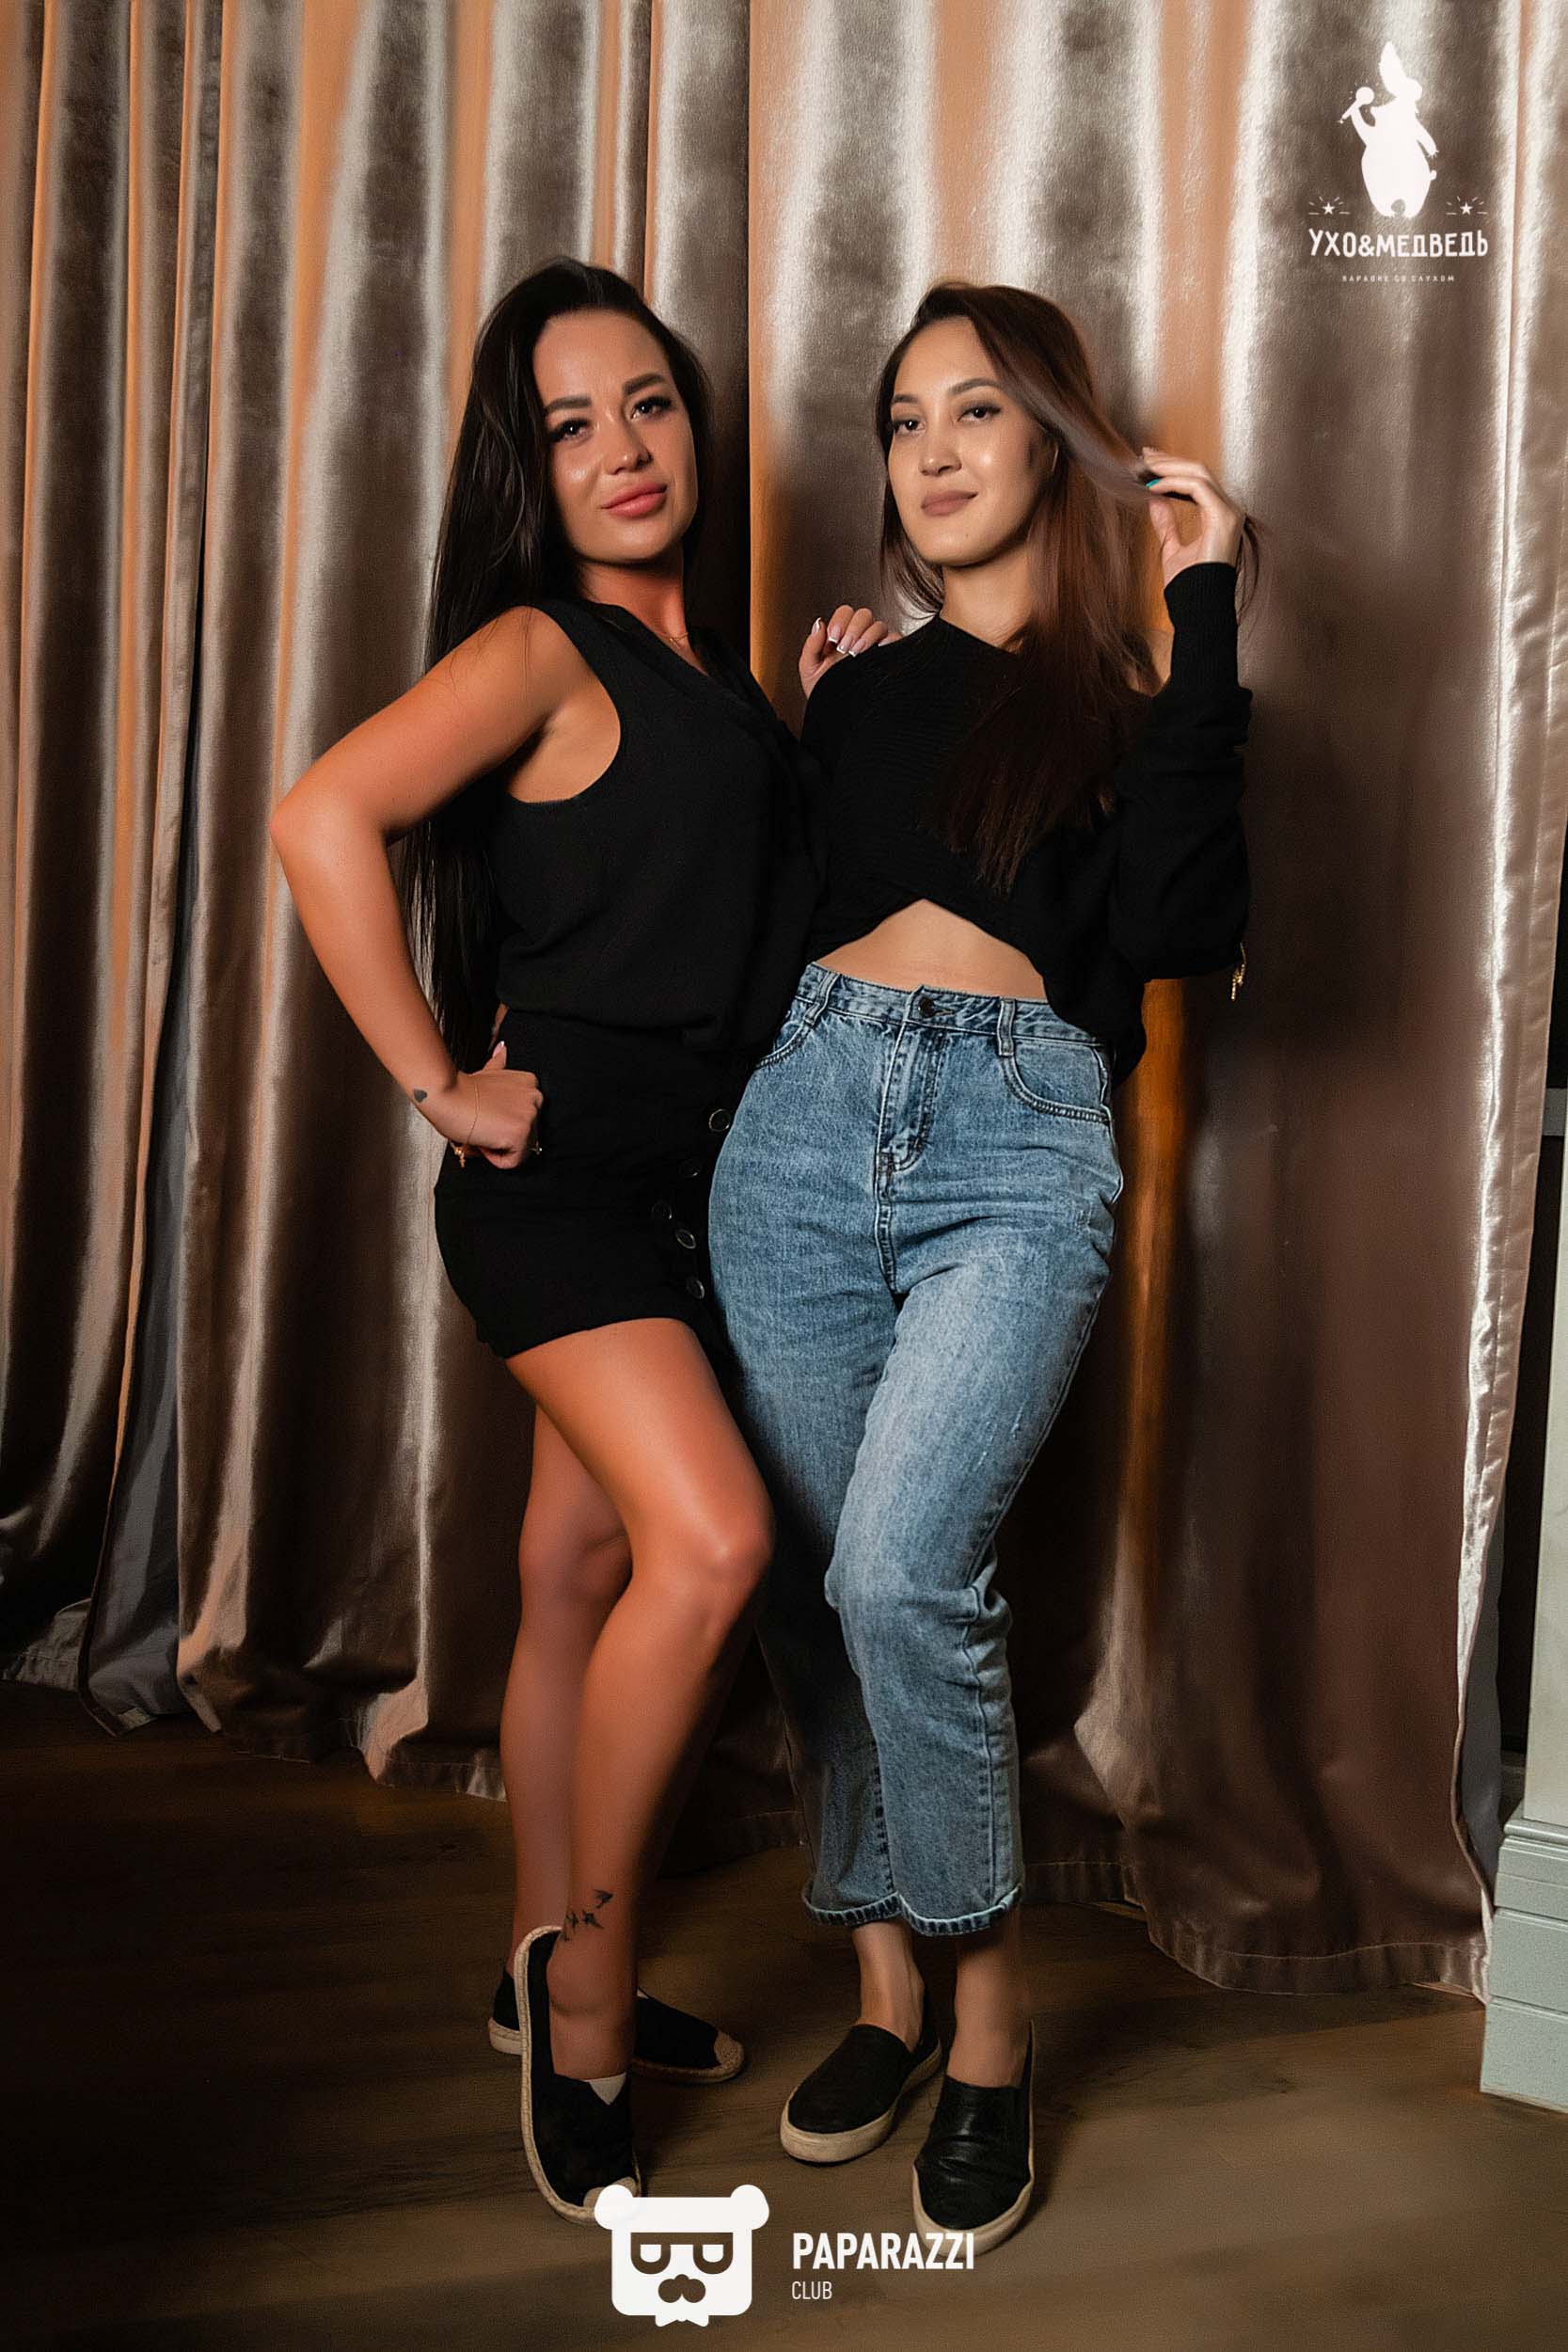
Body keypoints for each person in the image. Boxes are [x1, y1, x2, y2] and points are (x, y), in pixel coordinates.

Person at [267, 257, 893, 2224]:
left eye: (648, 403)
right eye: (568, 424)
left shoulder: (721, 689)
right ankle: (590, 2001)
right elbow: (320, 817)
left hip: (697, 1190)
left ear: (692, 423)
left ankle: (529, 1953)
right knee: (709, 1542)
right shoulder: (540, 648)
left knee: (575, 1568)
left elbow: (739, 921)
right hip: (556, 1194)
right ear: (524, 472)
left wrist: (816, 729)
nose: (623, 448)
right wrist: (435, 1079)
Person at [706, 279, 1257, 2258]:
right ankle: (883, 1989)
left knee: (900, 1571)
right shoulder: (858, 688)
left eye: (978, 410)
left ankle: (992, 2023)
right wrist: (809, 717)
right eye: (904, 418)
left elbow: (1180, 926)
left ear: (1057, 443)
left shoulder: (1130, 707)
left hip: (1017, 1151)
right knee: (809, 1585)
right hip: (796, 1128)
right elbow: (786, 916)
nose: (932, 450)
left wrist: (1208, 608)